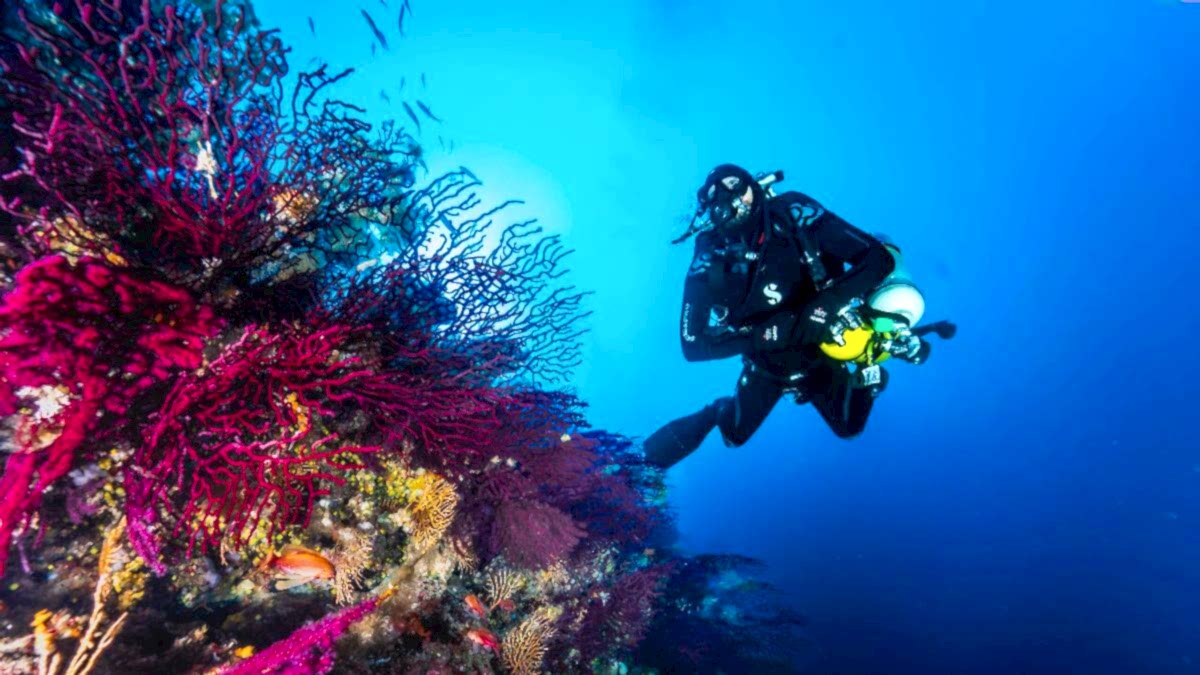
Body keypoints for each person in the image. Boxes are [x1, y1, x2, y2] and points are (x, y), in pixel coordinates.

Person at [643, 164, 931, 470]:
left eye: (735, 185)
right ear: (710, 209)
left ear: (754, 187)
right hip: (765, 363)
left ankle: (868, 372)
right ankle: (715, 411)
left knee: (850, 427)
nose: (731, 198)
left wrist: (822, 307)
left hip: (823, 349)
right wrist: (765, 335)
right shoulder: (709, 254)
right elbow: (692, 346)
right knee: (733, 435)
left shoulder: (792, 212)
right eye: (716, 194)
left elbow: (878, 259)